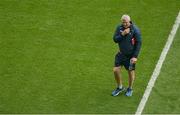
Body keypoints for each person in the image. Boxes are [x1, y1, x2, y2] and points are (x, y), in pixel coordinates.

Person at [112, 14, 142, 97]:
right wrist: (123, 34)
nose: (124, 24)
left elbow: (138, 43)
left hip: (130, 56)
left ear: (129, 21)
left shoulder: (135, 30)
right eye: (123, 22)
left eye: (126, 22)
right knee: (115, 70)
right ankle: (120, 87)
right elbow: (115, 39)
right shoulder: (119, 28)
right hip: (121, 54)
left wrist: (135, 56)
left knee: (130, 72)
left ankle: (130, 88)